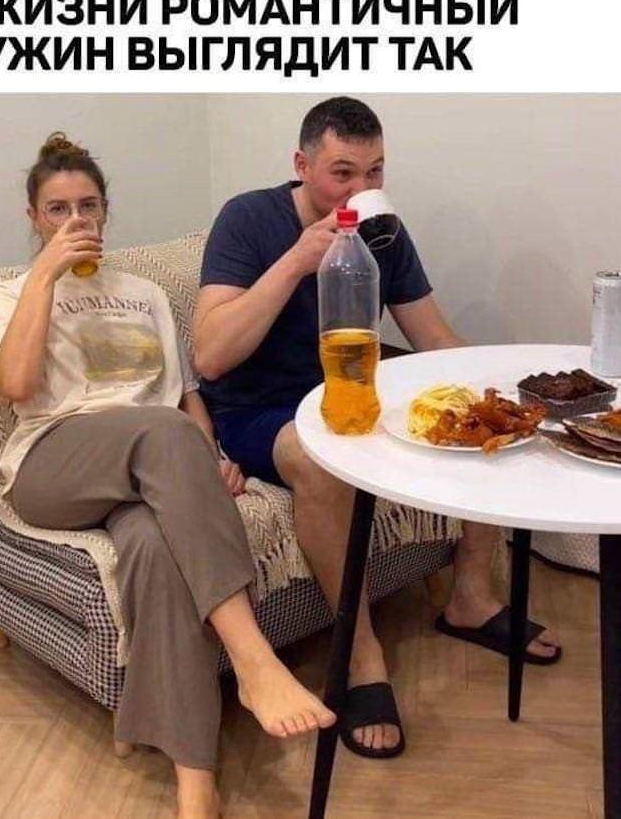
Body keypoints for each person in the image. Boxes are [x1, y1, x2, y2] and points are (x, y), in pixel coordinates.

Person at [194, 96, 562, 761]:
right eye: (342, 172)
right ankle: (361, 655)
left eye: (375, 171)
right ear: (302, 164)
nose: (360, 188)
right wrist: (296, 261)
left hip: (352, 389)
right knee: (318, 455)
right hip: (258, 410)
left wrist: (500, 393)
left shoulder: (383, 230)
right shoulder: (248, 218)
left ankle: (472, 598)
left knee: (474, 412)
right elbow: (210, 356)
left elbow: (434, 339)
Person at [0, 133, 336, 819]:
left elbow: (183, 397)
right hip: (53, 464)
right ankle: (254, 660)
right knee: (162, 434)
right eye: (58, 209)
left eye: (88, 206)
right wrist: (45, 277)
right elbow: (16, 385)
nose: (76, 220)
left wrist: (210, 457)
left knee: (153, 546)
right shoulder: (11, 294)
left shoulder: (142, 293)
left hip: (148, 463)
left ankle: (194, 777)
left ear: (106, 211)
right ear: (34, 217)